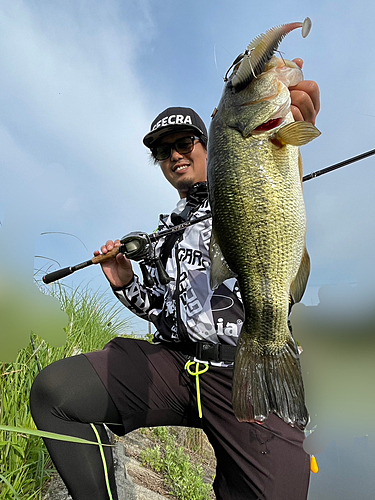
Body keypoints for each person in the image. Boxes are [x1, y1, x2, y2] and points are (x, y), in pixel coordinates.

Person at [30, 59, 320, 500]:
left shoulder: (242, 182)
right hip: (178, 366)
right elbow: (164, 311)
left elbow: (277, 184)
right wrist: (124, 279)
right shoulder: (166, 231)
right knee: (57, 393)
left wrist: (290, 137)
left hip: (245, 364)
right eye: (164, 151)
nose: (175, 155)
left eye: (185, 142)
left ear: (211, 145)